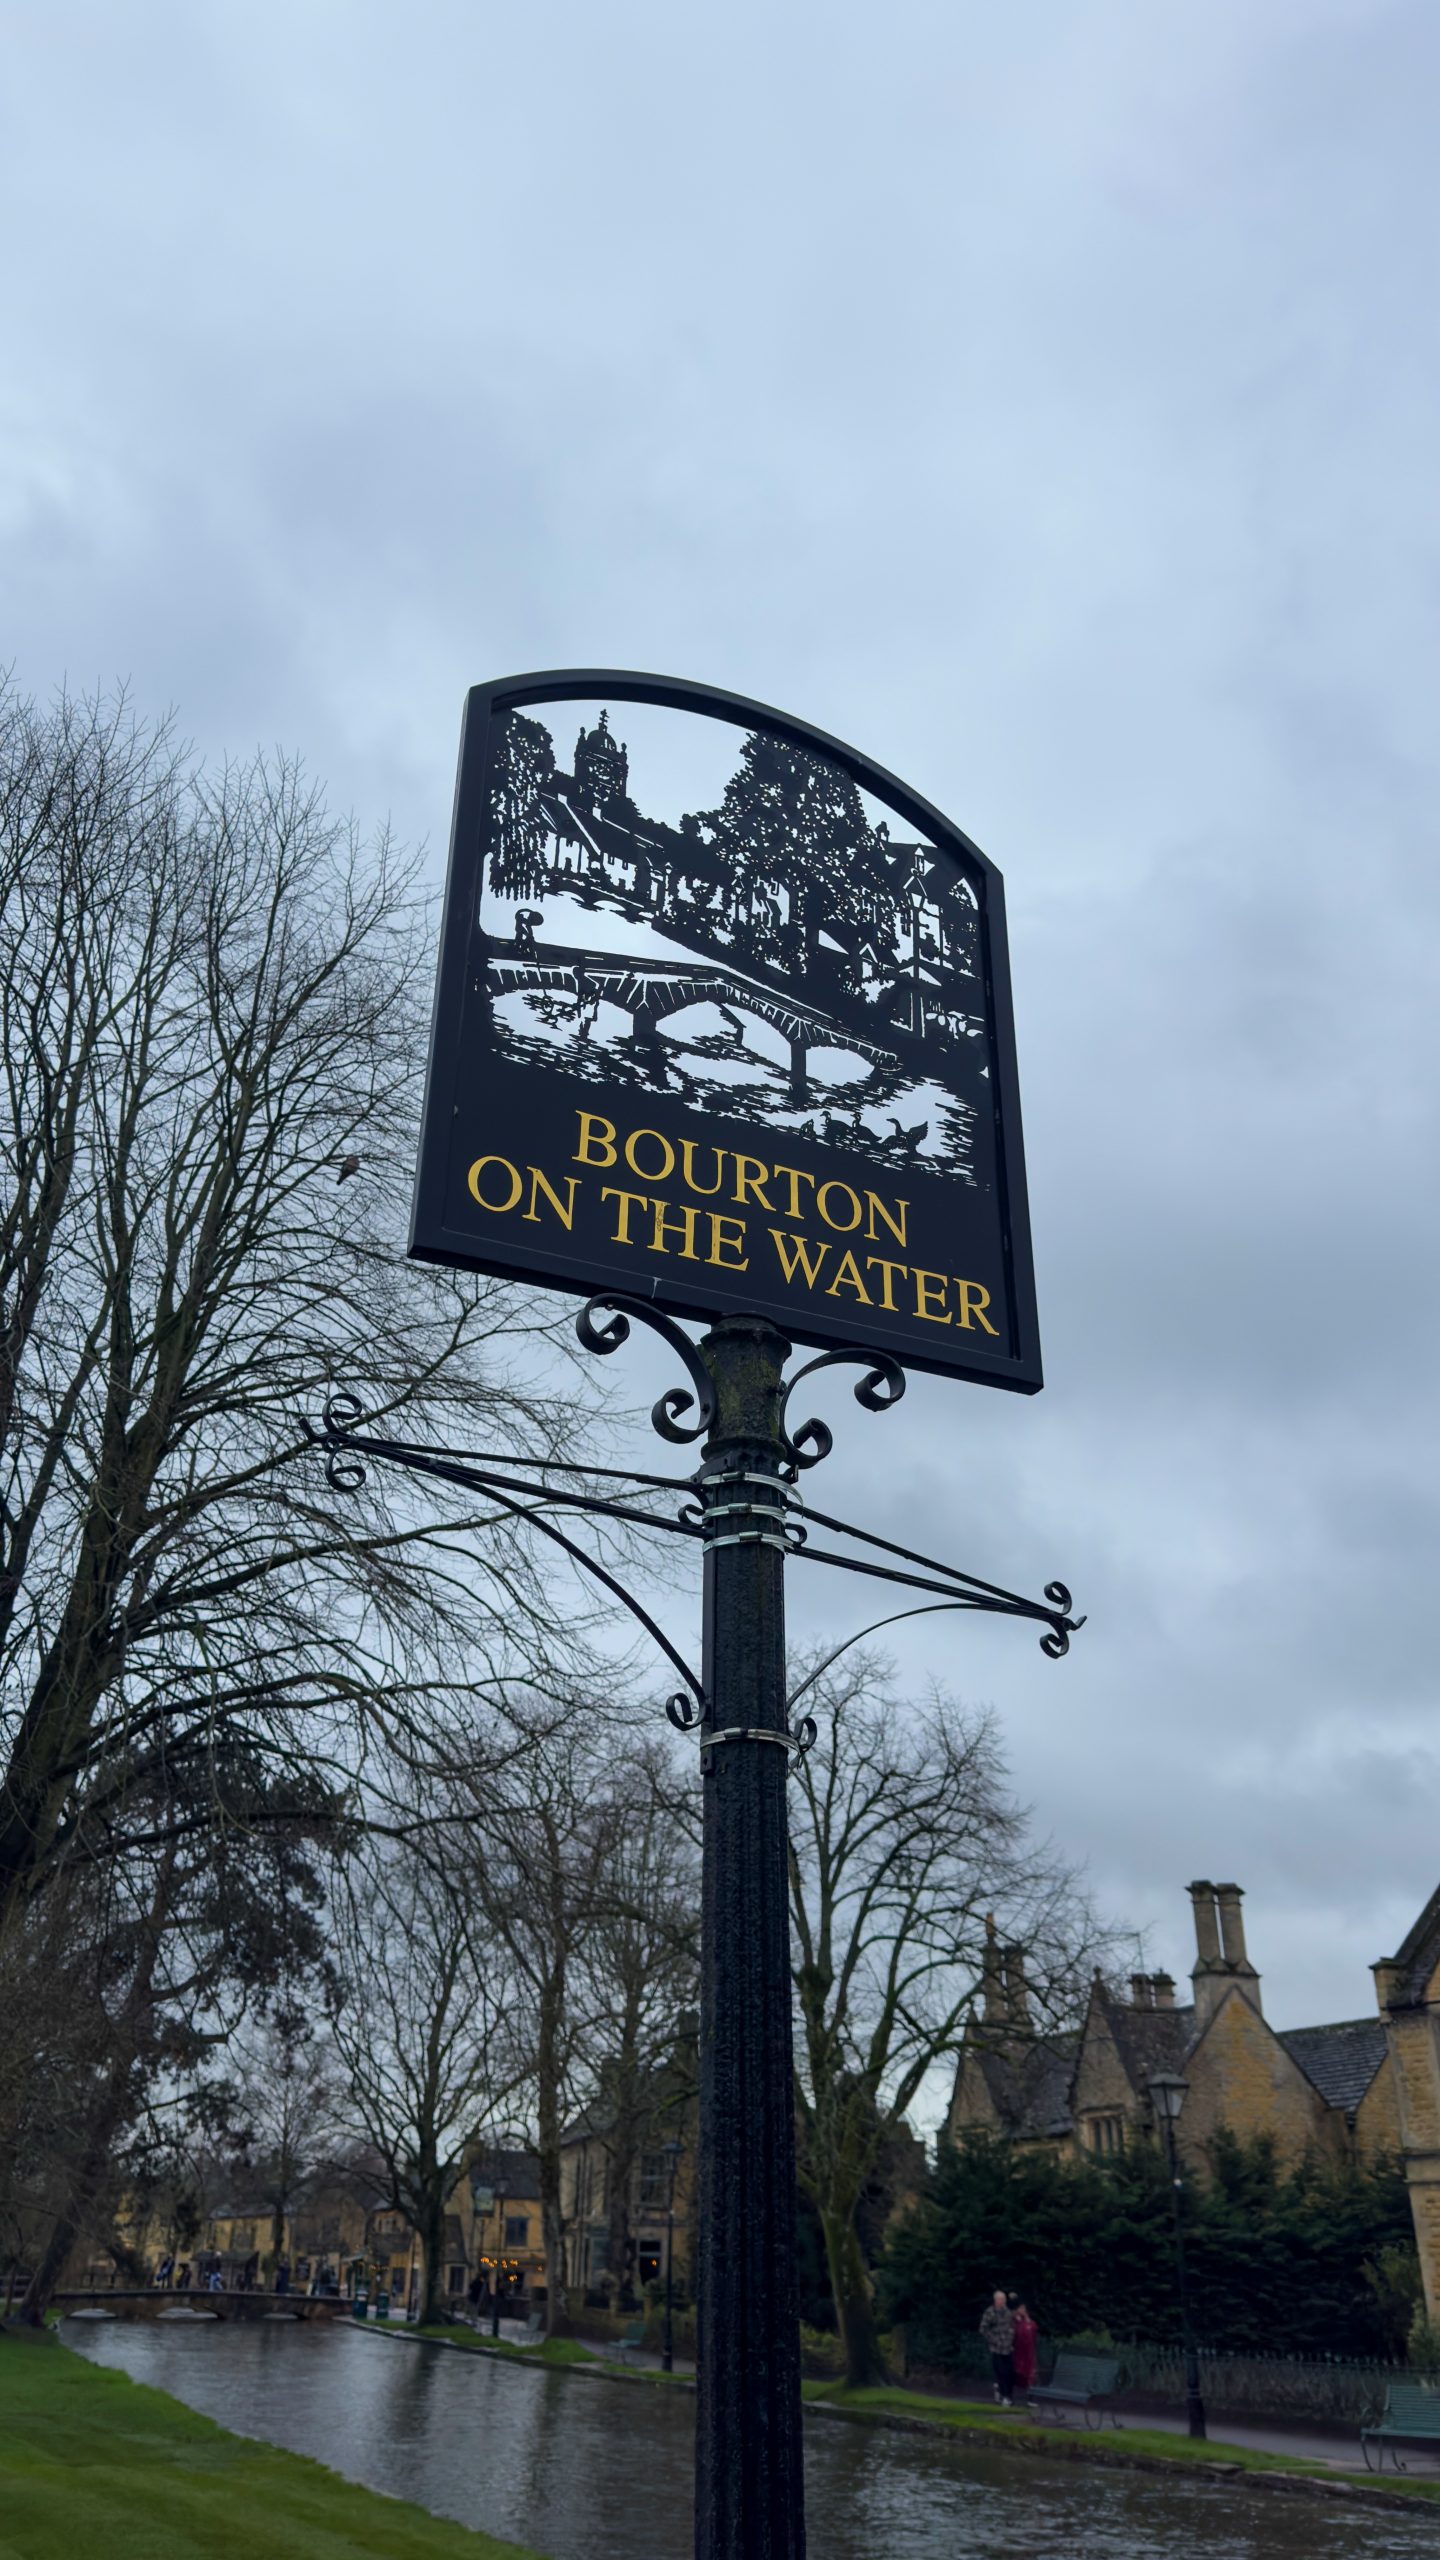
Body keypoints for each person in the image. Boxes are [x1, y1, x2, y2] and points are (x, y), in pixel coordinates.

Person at [979, 2287, 1015, 2406]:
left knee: (1010, 2372)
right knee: (1001, 2372)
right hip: (997, 2348)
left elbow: (1011, 2325)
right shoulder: (990, 2312)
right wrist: (994, 2339)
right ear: (996, 2300)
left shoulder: (1007, 2312)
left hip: (1008, 2348)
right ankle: (1004, 2395)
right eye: (1001, 2299)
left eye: (1004, 2299)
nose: (1004, 2301)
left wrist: (1011, 2336)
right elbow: (983, 2329)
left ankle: (1008, 2395)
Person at [1010, 2297, 1038, 2399]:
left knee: (1029, 2374)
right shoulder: (1014, 2322)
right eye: (1020, 2308)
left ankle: (1030, 2397)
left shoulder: (1030, 2323)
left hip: (1028, 2353)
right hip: (1017, 2352)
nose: (1022, 2310)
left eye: (1023, 2308)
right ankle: (1008, 2394)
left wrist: (1026, 2321)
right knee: (1016, 2372)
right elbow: (1018, 2334)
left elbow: (1032, 2333)